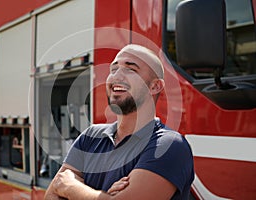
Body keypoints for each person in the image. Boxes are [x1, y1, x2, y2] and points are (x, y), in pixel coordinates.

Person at [44, 44, 194, 200]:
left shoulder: (168, 145)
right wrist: (106, 196)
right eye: (113, 70)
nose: (116, 76)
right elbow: (50, 196)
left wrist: (70, 187)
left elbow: (61, 185)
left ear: (155, 86)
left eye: (130, 69)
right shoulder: (90, 136)